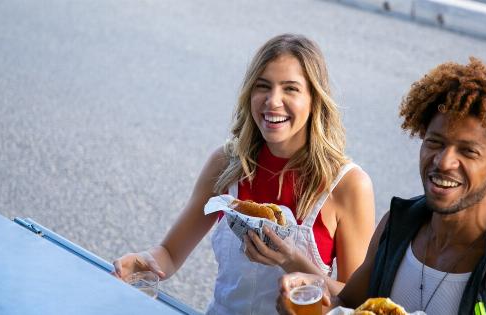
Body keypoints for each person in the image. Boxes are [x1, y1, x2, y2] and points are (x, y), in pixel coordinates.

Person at [277, 58, 486, 315]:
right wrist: (311, 295)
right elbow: (349, 304)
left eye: (468, 151)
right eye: (435, 143)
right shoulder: (397, 225)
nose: (444, 161)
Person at [112, 33, 375, 314]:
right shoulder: (226, 163)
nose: (273, 101)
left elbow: (356, 302)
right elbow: (169, 255)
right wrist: (143, 260)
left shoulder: (349, 185)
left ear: (314, 99)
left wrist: (290, 259)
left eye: (290, 89)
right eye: (263, 86)